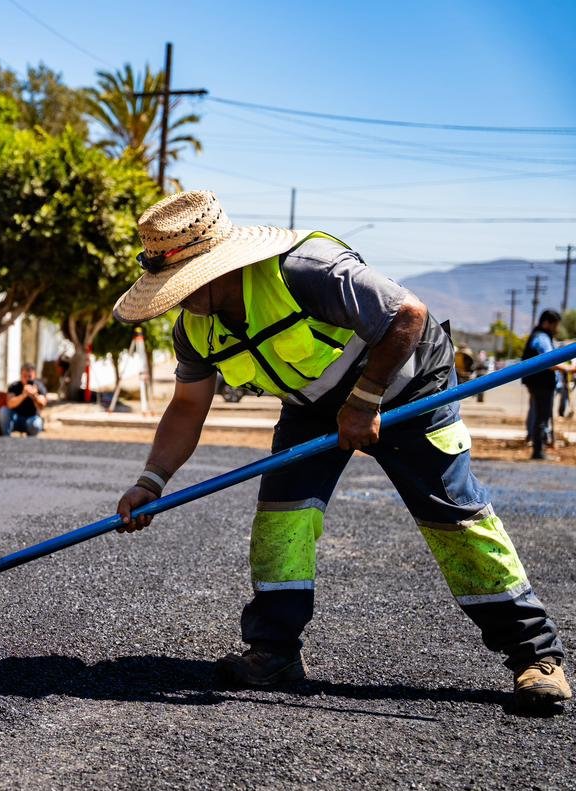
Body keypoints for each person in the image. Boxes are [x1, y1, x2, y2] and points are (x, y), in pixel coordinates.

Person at [111, 190, 568, 709]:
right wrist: (151, 480)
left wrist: (365, 398)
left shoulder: (306, 270)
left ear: (218, 267)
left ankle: (536, 655)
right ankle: (275, 651)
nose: (176, 298)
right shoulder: (195, 329)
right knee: (282, 518)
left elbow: (408, 315)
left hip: (409, 388)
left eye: (182, 283)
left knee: (451, 515)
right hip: (313, 407)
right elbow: (187, 407)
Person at [523, 310, 562, 458]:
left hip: (539, 382)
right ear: (547, 323)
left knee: (539, 414)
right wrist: (568, 368)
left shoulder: (541, 336)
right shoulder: (542, 337)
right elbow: (549, 361)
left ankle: (539, 448)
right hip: (541, 383)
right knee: (542, 416)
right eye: (555, 325)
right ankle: (538, 451)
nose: (556, 328)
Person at [0, 363, 47, 437]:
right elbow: (10, 404)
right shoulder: (14, 386)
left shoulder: (39, 387)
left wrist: (34, 396)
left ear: (34, 375)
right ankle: (6, 438)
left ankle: (31, 441)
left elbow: (42, 406)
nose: (27, 379)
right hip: (16, 419)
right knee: (3, 410)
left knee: (37, 423)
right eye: (24, 376)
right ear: (20, 375)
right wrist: (23, 395)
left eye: (29, 376)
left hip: (31, 420)